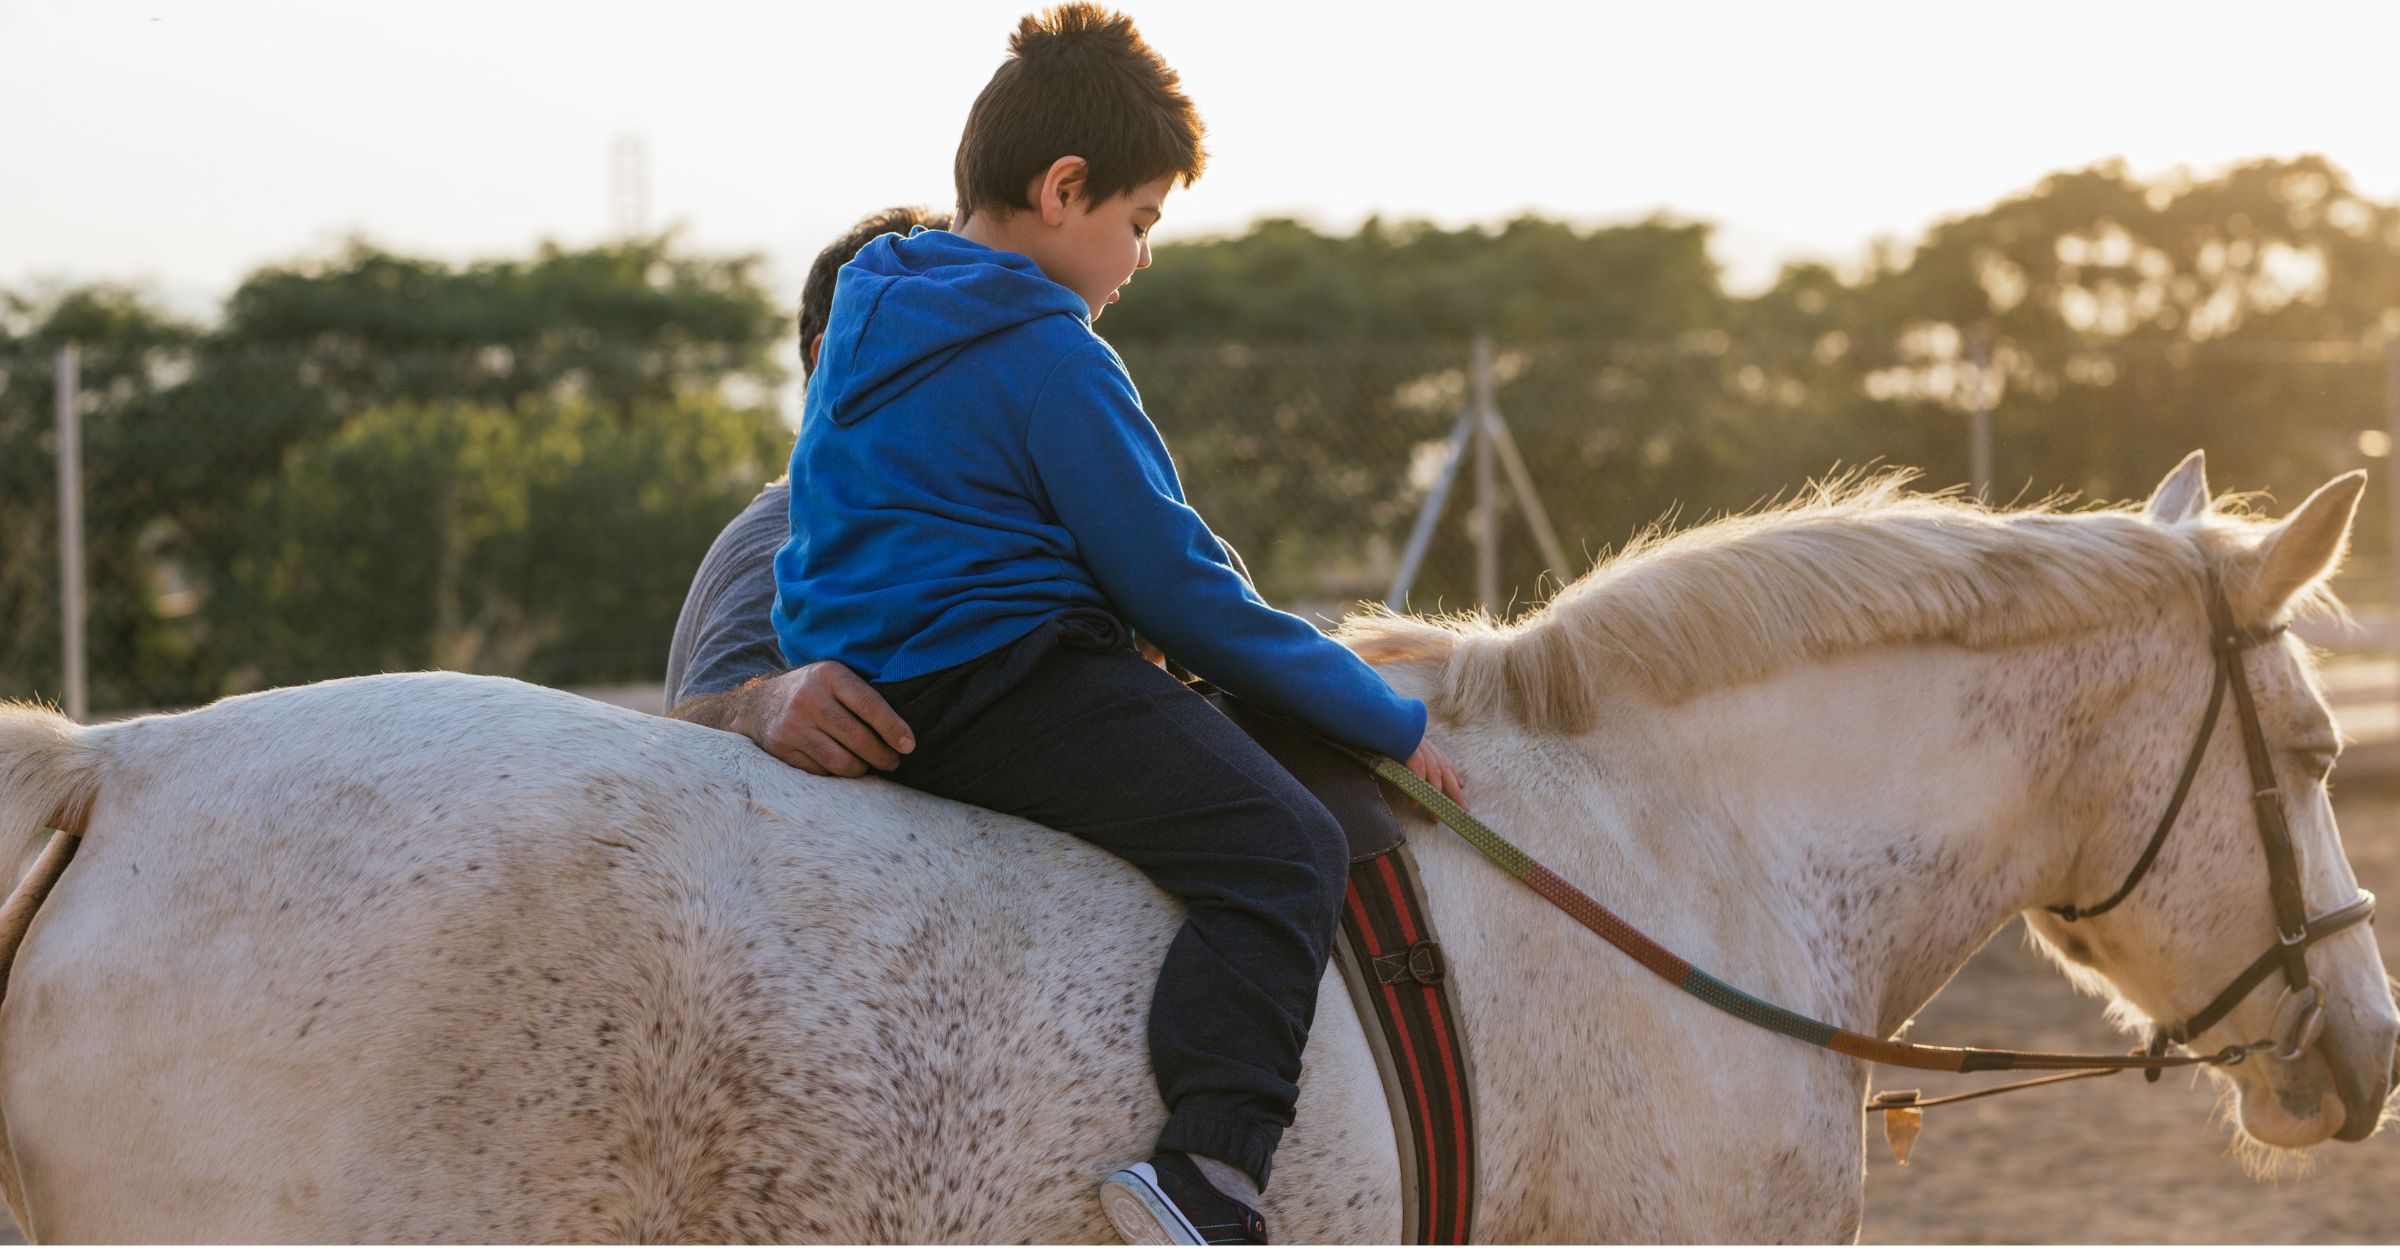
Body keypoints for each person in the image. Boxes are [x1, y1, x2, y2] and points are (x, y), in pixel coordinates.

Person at [773, 5, 1463, 1245]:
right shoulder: (1047, 349)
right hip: (1014, 679)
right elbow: (1181, 590)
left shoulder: (870, 317)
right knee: (1285, 847)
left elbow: (814, 540)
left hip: (877, 681)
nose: (1141, 257)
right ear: (1064, 187)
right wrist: (1384, 717)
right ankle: (1209, 1169)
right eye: (1138, 223)